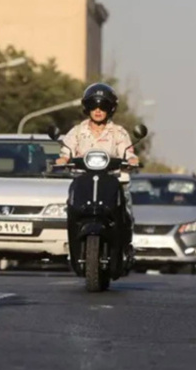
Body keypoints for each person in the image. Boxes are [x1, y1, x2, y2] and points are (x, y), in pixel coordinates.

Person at [56, 83, 137, 264]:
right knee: (71, 207)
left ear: (111, 109)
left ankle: (125, 247)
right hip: (84, 181)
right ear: (87, 108)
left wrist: (131, 159)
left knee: (126, 211)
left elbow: (128, 153)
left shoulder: (119, 133)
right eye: (94, 106)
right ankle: (73, 247)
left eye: (103, 106)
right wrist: (63, 159)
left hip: (113, 180)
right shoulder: (77, 132)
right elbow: (66, 151)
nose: (98, 110)